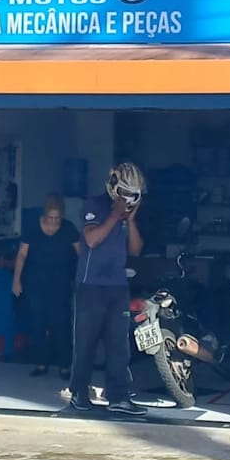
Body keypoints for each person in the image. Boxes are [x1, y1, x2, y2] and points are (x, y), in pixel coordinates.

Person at [70, 162, 148, 418]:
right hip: (91, 285)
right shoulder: (94, 205)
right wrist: (115, 215)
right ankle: (79, 392)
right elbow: (91, 240)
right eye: (125, 192)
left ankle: (119, 397)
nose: (128, 199)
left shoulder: (126, 215)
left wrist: (131, 221)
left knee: (119, 345)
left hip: (118, 286)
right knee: (86, 342)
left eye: (133, 195)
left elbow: (135, 250)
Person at [12, 193, 80, 378]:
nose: (54, 221)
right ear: (44, 215)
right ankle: (41, 363)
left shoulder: (68, 228)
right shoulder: (33, 228)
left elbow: (80, 253)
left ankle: (64, 365)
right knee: (37, 323)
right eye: (50, 218)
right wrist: (16, 280)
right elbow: (22, 255)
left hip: (60, 283)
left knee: (61, 324)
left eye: (57, 218)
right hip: (35, 283)